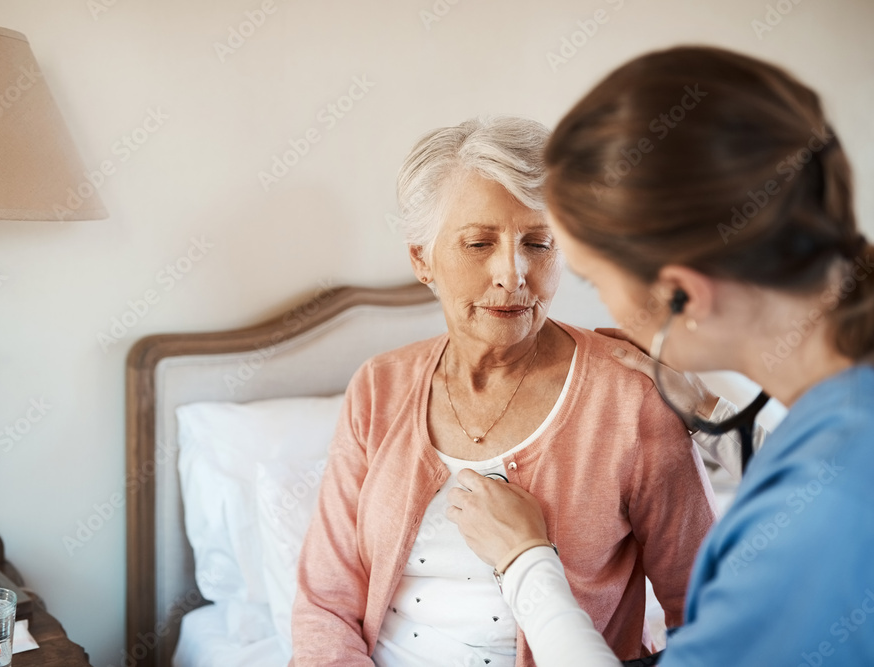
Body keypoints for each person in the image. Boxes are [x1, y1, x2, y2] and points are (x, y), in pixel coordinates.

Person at [446, 46, 874, 665]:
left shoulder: (821, 520)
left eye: (593, 278)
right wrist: (705, 408)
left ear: (682, 295)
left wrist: (525, 559)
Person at [290, 116, 718, 666]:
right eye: (478, 242)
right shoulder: (378, 386)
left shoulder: (631, 398)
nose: (513, 274)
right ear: (422, 257)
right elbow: (326, 604)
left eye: (539, 242)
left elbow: (709, 614)